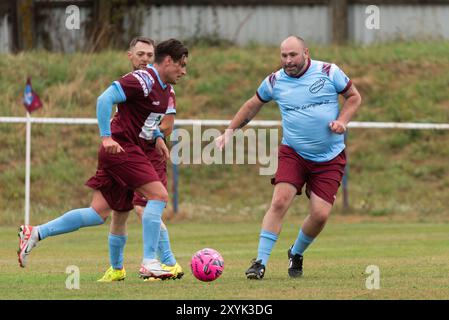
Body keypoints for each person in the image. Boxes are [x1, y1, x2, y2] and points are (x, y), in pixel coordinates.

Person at [17, 38, 189, 281]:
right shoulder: (142, 79)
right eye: (181, 65)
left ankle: (35, 233)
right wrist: (106, 137)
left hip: (121, 151)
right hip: (122, 148)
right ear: (168, 61)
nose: (184, 71)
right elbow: (103, 99)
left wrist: (159, 136)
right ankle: (150, 262)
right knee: (158, 196)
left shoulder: (163, 87)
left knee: (98, 213)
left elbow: (145, 120)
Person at [216, 35, 362, 279]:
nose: (288, 61)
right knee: (280, 201)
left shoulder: (329, 71)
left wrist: (342, 120)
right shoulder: (275, 81)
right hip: (293, 152)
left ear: (306, 52)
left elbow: (354, 97)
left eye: (293, 55)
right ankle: (259, 262)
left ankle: (296, 252)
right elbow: (252, 104)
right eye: (283, 56)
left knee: (320, 214)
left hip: (329, 157)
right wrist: (229, 132)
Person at [97, 36, 183, 282]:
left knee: (144, 205)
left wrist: (155, 136)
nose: (145, 59)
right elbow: (110, 104)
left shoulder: (165, 87)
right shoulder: (134, 84)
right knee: (115, 212)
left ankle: (166, 262)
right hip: (127, 151)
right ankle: (119, 268)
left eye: (149, 55)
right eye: (141, 54)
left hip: (146, 153)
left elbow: (166, 123)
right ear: (130, 56)